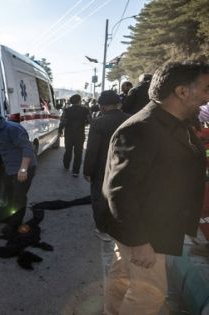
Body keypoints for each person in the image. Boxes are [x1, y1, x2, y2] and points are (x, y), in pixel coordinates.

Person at [102, 61, 209, 314]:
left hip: (150, 227)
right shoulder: (142, 128)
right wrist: (139, 242)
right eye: (206, 89)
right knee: (149, 295)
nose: (207, 98)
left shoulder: (175, 123)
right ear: (182, 92)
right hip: (143, 231)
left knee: (122, 278)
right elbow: (120, 191)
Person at [82, 90, 129, 241]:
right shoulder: (131, 120)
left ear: (102, 107)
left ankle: (102, 229)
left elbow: (92, 150)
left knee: (100, 198)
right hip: (126, 166)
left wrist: (88, 170)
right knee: (121, 197)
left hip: (102, 168)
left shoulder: (98, 123)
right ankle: (119, 226)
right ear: (118, 104)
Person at [58, 94, 90, 177]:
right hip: (80, 133)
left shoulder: (67, 110)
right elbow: (90, 121)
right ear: (79, 100)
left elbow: (63, 121)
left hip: (69, 133)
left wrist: (60, 130)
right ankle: (75, 171)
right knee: (78, 152)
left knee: (68, 150)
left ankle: (66, 165)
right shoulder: (85, 110)